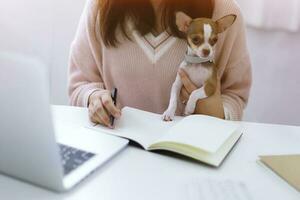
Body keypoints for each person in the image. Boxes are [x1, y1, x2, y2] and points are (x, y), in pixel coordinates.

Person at [68, 0, 252, 128]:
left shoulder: (224, 13)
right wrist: (94, 98)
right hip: (116, 156)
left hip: (190, 159)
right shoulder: (101, 7)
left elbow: (235, 95)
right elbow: (80, 85)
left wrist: (219, 114)